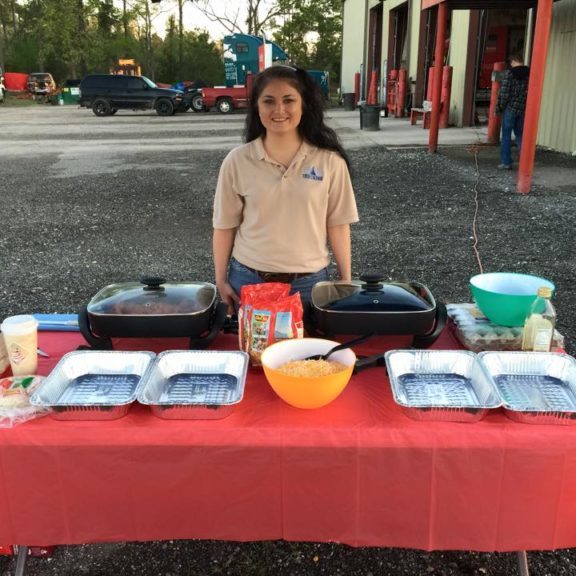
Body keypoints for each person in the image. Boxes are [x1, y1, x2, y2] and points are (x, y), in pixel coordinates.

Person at [212, 65, 359, 314]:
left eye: (289, 100)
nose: (279, 110)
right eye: (269, 101)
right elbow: (224, 225)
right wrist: (220, 280)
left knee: (308, 354)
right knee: (253, 353)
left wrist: (345, 278)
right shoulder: (237, 161)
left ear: (304, 105)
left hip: (310, 284)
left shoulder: (330, 162)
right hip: (248, 281)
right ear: (257, 107)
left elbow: (338, 223)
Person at [496, 54, 530, 170]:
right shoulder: (528, 73)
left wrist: (500, 106)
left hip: (510, 108)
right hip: (521, 108)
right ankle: (525, 162)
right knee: (520, 134)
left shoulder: (509, 74)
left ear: (513, 62)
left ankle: (506, 162)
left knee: (506, 135)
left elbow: (504, 93)